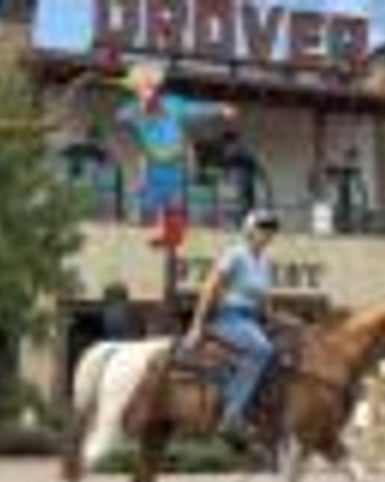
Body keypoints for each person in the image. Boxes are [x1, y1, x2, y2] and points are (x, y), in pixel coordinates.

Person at [184, 208, 280, 443]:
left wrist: (275, 318)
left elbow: (264, 298)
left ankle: (259, 411)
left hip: (252, 321)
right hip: (228, 317)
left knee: (286, 347)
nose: (267, 234)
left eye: (271, 230)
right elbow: (210, 288)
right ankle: (231, 415)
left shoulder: (265, 261)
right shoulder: (235, 254)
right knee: (262, 350)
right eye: (262, 228)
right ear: (249, 230)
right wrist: (196, 325)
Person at [117, 61, 236, 225]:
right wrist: (140, 107)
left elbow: (197, 110)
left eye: (150, 87)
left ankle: (169, 227)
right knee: (149, 207)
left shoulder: (173, 105)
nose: (147, 92)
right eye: (142, 89)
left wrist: (220, 109)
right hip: (152, 164)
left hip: (174, 164)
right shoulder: (135, 110)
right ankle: (148, 223)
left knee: (173, 205)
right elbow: (121, 117)